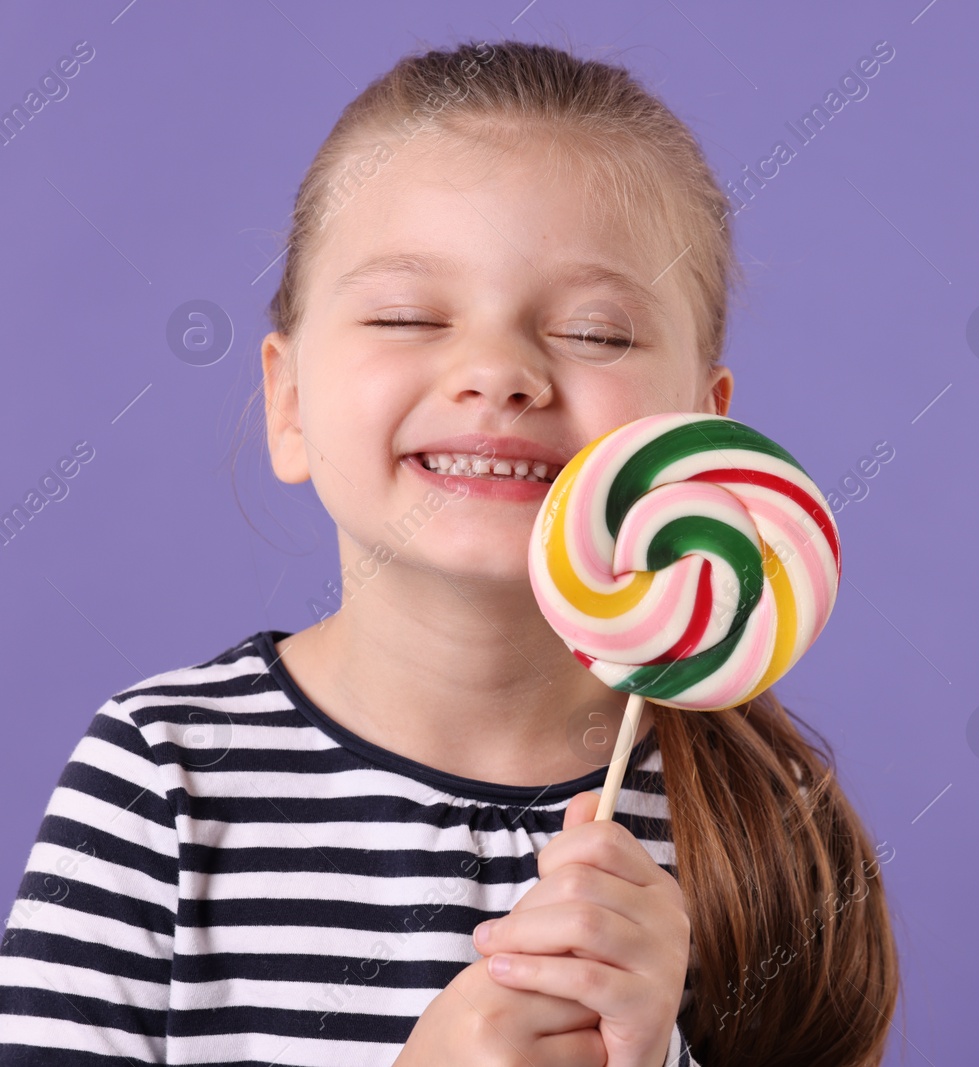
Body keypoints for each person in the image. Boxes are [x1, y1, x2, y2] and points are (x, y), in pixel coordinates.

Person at [0, 38, 897, 1066]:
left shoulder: (768, 824)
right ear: (286, 402)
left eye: (596, 333)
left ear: (701, 429)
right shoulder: (162, 776)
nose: (497, 370)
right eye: (406, 314)